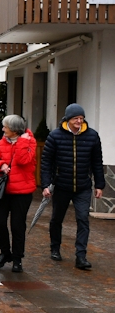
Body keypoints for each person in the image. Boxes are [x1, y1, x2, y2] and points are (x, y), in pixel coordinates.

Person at [41, 103, 104, 270]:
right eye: (76, 118)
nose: (79, 121)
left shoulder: (92, 136)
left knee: (83, 218)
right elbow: (46, 162)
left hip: (83, 186)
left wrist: (99, 184)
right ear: (68, 119)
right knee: (57, 219)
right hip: (62, 185)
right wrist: (46, 184)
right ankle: (55, 248)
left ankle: (81, 256)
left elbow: (97, 162)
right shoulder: (55, 136)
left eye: (81, 118)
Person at [0, 115, 36, 273]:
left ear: (15, 130)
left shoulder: (30, 141)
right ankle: (4, 253)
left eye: (6, 127)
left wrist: (22, 141)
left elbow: (23, 160)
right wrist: (1, 165)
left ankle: (17, 258)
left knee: (17, 226)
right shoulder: (1, 142)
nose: (3, 129)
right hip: (4, 191)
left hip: (22, 192)